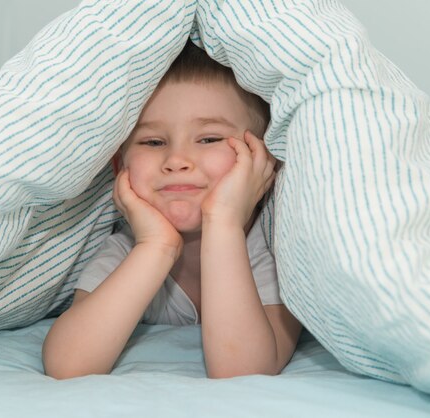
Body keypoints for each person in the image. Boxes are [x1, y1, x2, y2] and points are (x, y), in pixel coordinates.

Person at [42, 41, 303, 379]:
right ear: (119, 165)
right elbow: (68, 366)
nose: (177, 160)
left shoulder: (273, 253)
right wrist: (155, 247)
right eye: (153, 142)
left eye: (208, 139)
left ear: (263, 161)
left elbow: (242, 373)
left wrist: (223, 224)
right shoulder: (124, 251)